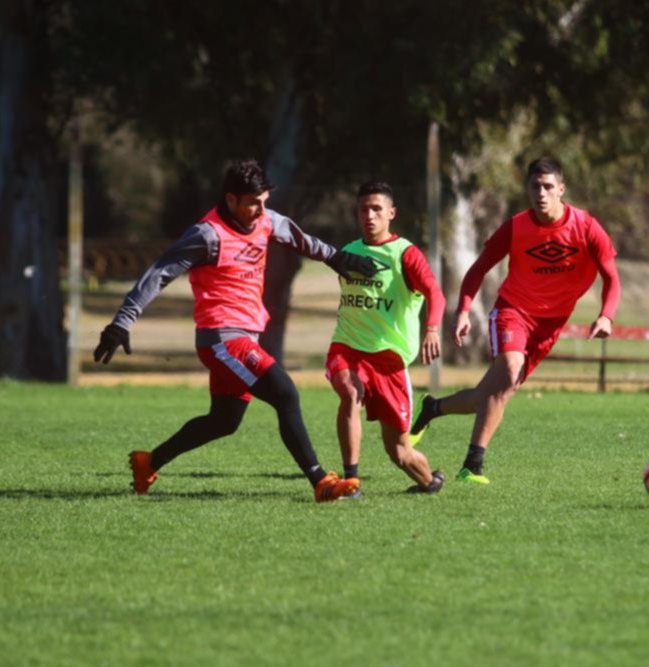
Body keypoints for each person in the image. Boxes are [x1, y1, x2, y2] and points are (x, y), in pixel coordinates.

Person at [94, 159, 378, 502]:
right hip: (222, 339)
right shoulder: (207, 235)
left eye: (264, 200)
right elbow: (160, 273)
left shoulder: (266, 220)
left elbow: (302, 240)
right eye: (252, 202)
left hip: (243, 338)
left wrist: (338, 259)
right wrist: (123, 320)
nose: (261, 210)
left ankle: (148, 462)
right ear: (231, 200)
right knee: (286, 392)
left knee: (224, 421)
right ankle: (322, 482)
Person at [409, 156, 621, 484]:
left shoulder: (587, 227)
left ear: (561, 189)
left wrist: (606, 316)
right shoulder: (516, 227)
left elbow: (611, 278)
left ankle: (433, 408)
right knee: (508, 372)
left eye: (549, 187)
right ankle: (472, 466)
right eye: (535, 186)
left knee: (492, 394)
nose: (542, 193)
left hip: (551, 323)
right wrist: (463, 310)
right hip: (513, 311)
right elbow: (478, 269)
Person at [326, 182, 446, 495]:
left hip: (390, 360)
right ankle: (350, 482)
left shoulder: (405, 254)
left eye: (377, 209)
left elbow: (435, 293)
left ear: (391, 213)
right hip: (347, 346)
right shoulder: (347, 253)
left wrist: (432, 329)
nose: (370, 215)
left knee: (399, 452)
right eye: (364, 209)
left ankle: (430, 481)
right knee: (350, 392)